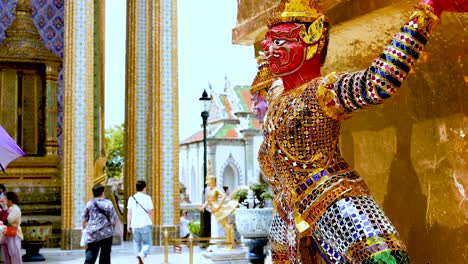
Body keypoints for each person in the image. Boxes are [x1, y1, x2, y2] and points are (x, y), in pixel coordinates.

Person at [256, 0, 467, 263]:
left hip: (329, 197)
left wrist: (427, 11)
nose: (267, 48)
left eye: (280, 41)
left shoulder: (324, 92)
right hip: (286, 209)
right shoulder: (276, 94)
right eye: (268, 41)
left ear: (313, 41)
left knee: (387, 259)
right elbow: (261, 86)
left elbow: (378, 82)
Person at [199, 161, 238, 250]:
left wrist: (219, 205)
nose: (207, 183)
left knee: (226, 225)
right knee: (223, 226)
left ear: (212, 181)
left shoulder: (216, 189)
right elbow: (208, 201)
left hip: (218, 209)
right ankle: (226, 244)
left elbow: (224, 196)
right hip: (213, 210)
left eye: (208, 181)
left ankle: (230, 244)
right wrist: (202, 207)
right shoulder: (209, 190)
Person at [82, 184, 123, 264]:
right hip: (107, 234)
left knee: (91, 254)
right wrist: (121, 228)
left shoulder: (89, 204)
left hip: (93, 234)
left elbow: (84, 218)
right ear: (102, 193)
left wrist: (83, 228)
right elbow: (115, 217)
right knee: (105, 256)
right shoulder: (108, 203)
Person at [127, 180, 153, 264]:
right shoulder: (147, 198)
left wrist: (128, 225)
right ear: (144, 188)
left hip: (134, 224)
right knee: (148, 243)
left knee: (136, 243)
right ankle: (141, 255)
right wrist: (151, 222)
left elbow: (129, 213)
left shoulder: (131, 198)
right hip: (145, 223)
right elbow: (150, 212)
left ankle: (138, 259)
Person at [1, 192, 22, 264]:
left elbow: (9, 220)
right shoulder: (8, 208)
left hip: (14, 234)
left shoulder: (15, 209)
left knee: (14, 255)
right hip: (6, 234)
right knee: (7, 257)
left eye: (5, 198)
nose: (4, 200)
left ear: (10, 200)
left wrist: (4, 212)